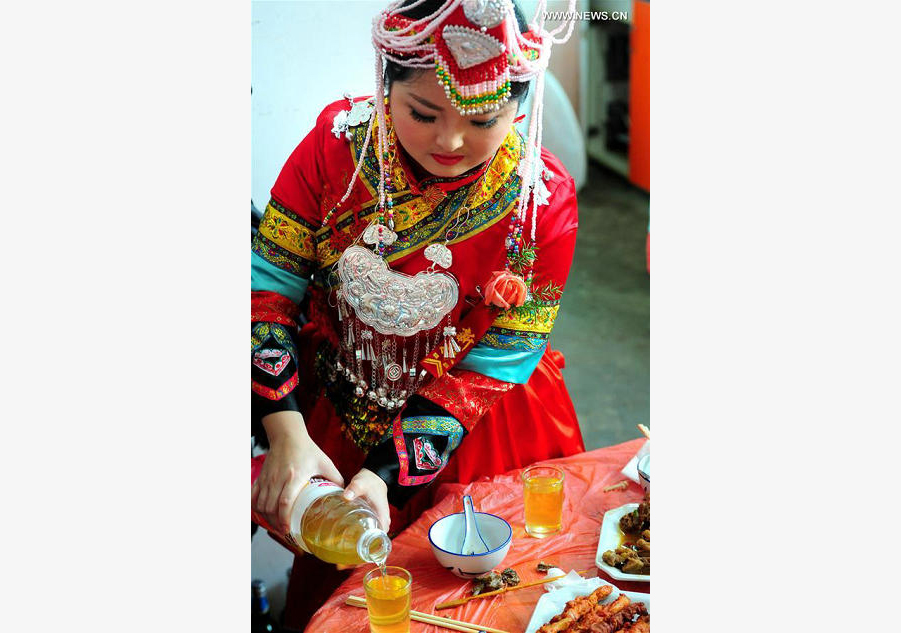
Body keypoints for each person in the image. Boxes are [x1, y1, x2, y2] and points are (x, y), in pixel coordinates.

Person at [251, 0, 583, 627]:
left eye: (483, 119)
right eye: (423, 113)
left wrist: (386, 475)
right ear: (386, 81)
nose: (449, 141)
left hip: (479, 420)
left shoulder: (542, 201)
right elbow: (265, 291)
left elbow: (494, 362)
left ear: (520, 105)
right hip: (346, 402)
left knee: (492, 599)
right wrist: (286, 431)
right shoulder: (337, 148)